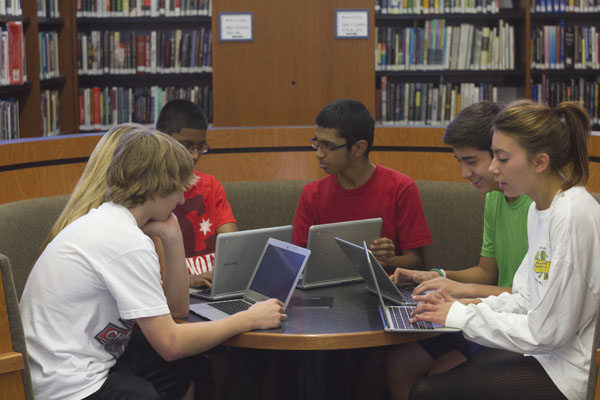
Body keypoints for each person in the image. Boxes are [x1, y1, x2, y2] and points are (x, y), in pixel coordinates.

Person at [19, 126, 286, 400]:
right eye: (179, 189)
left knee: (184, 372)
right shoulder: (124, 240)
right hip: (65, 384)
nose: (182, 199)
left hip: (77, 360)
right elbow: (171, 344)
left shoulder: (112, 221)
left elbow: (177, 309)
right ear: (158, 190)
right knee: (148, 388)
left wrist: (172, 237)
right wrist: (247, 319)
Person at [407, 100, 600, 400]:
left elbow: (547, 333)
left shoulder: (573, 215)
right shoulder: (539, 209)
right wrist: (463, 308)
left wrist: (461, 316)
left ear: (540, 162)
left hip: (570, 370)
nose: (493, 168)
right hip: (547, 356)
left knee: (427, 392)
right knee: (433, 383)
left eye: (502, 158)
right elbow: (525, 297)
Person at [386, 101, 533, 400]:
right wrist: (436, 275)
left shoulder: (536, 205)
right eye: (459, 161)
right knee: (399, 364)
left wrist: (456, 290)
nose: (464, 173)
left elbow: (525, 296)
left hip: (511, 323)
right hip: (488, 308)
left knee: (438, 376)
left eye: (471, 161)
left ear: (499, 153)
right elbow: (486, 271)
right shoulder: (495, 197)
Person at [292, 98, 433, 271]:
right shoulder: (311, 193)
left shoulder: (400, 188)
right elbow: (297, 260)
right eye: (317, 143)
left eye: (328, 146)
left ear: (358, 148)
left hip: (382, 291)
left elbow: (417, 262)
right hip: (327, 291)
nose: (319, 154)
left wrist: (390, 260)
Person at [156, 99, 238, 288]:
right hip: (173, 291)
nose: (194, 155)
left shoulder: (210, 185)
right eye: (186, 146)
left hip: (213, 286)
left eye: (201, 146)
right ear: (161, 140)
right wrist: (188, 281)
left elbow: (232, 247)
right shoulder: (149, 196)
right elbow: (155, 271)